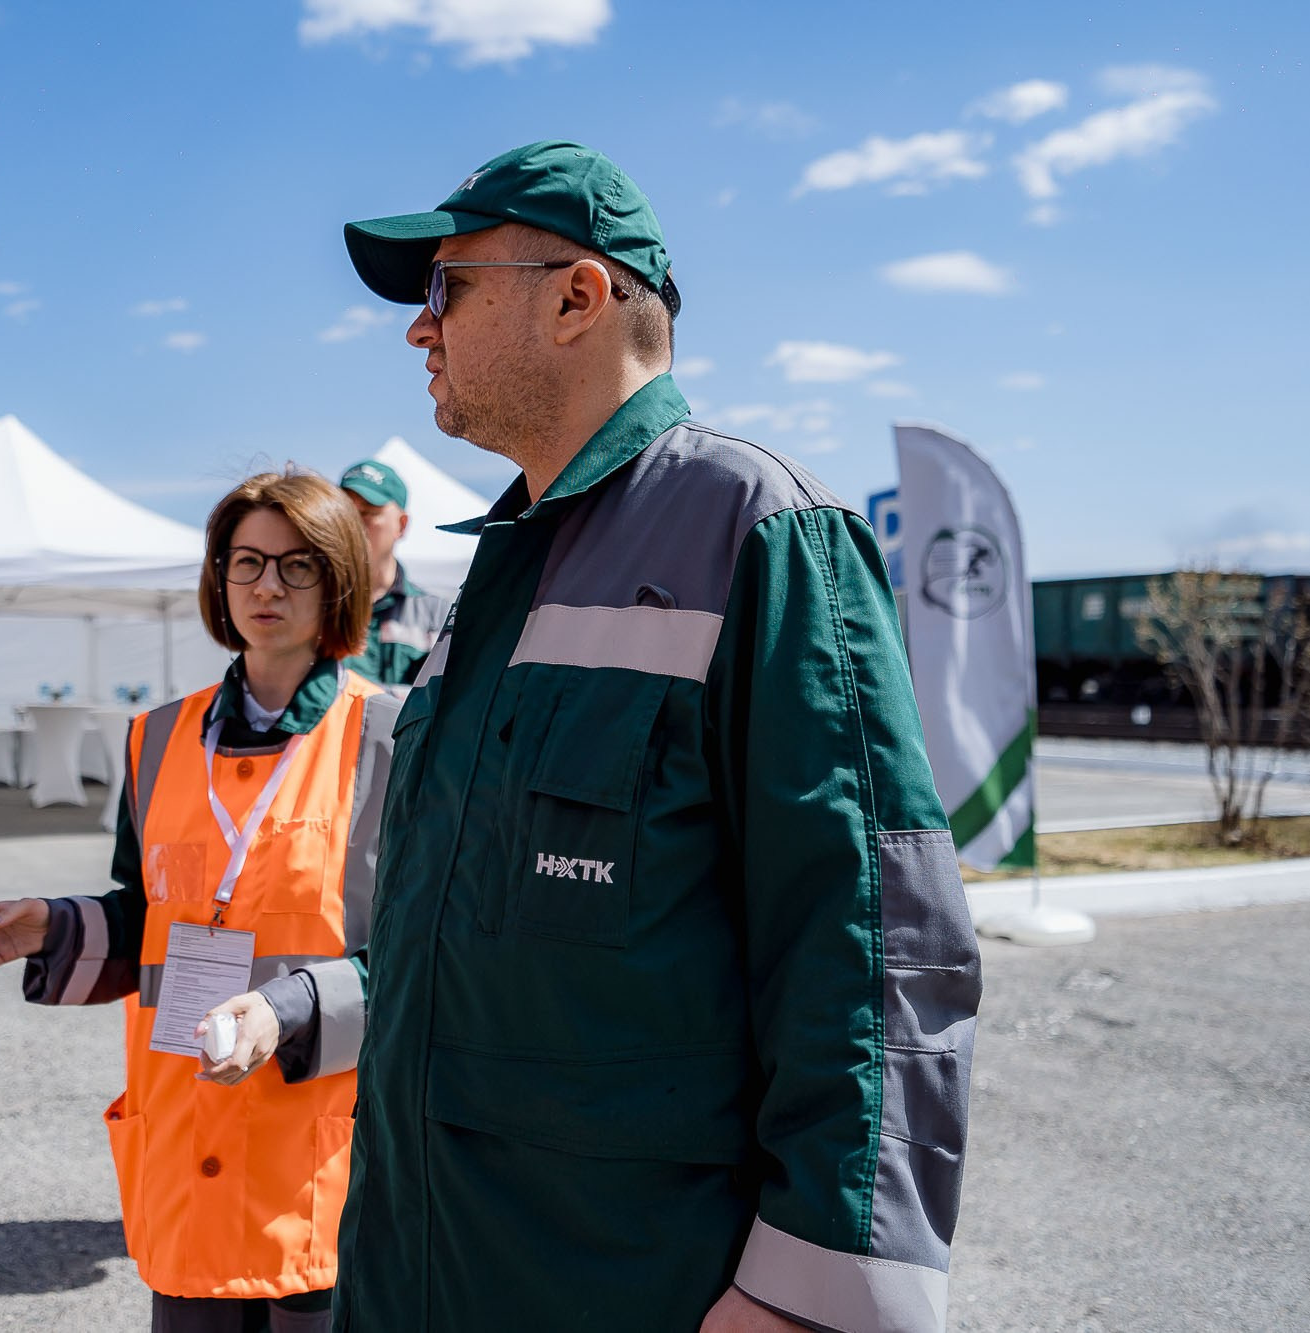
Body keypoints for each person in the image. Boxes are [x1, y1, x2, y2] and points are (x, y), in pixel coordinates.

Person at [330, 141, 982, 1333]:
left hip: (622, 1284)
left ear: (577, 295)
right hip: (426, 1271)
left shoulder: (758, 529)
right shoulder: (493, 577)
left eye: (445, 289)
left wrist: (807, 1290)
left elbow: (871, 939)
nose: (419, 331)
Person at [0, 470, 398, 1333]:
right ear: (219, 579)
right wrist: (58, 924)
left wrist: (286, 1006)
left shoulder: (394, 735)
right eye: (247, 561)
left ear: (338, 579)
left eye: (297, 566)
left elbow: (422, 952)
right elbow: (150, 914)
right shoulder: (155, 738)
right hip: (187, 1138)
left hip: (319, 1159)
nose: (267, 585)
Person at [337, 459, 449, 688]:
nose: (354, 525)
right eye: (345, 513)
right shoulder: (313, 605)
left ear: (402, 525)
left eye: (368, 513)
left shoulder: (435, 614)